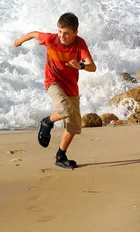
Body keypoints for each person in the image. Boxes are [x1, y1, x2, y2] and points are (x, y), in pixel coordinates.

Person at [14, 12, 96, 169]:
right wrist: (18, 41)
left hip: (71, 87)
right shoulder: (50, 39)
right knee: (65, 110)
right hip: (53, 83)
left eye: (66, 33)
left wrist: (82, 66)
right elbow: (33, 34)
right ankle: (46, 123)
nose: (61, 36)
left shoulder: (80, 44)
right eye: (59, 31)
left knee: (74, 126)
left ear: (75, 33)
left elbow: (93, 67)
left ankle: (61, 156)